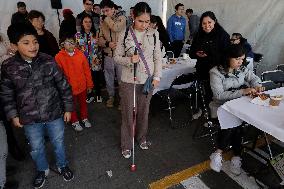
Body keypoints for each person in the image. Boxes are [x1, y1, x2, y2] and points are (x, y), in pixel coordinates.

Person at [1, 23, 74, 188]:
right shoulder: (8, 66)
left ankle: (62, 164)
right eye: (26, 43)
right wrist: (13, 115)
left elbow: (63, 84)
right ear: (14, 45)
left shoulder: (48, 60)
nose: (33, 46)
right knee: (36, 146)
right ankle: (42, 169)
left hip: (54, 113)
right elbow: (6, 93)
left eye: (35, 41)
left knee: (58, 141)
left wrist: (68, 108)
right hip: (29, 118)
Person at [114, 2, 162, 158]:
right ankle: (126, 144)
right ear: (133, 17)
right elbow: (116, 57)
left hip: (147, 80)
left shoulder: (154, 33)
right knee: (128, 113)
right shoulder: (125, 34)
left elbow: (157, 58)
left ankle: (142, 138)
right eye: (141, 21)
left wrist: (157, 77)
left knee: (144, 111)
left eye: (147, 21)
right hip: (128, 80)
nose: (144, 25)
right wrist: (129, 60)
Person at [209, 44, 263, 175]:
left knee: (236, 124)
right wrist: (243, 91)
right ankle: (235, 156)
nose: (240, 62)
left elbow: (253, 78)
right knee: (235, 125)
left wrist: (258, 85)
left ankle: (219, 153)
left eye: (242, 59)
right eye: (237, 59)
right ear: (228, 58)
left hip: (238, 104)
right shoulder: (215, 72)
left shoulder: (242, 69)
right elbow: (219, 96)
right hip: (221, 107)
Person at [189, 11, 230, 107]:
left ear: (214, 21)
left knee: (216, 97)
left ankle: (216, 115)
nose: (207, 25)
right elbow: (191, 53)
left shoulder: (223, 35)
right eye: (204, 23)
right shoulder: (199, 35)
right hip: (202, 70)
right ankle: (204, 112)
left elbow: (227, 56)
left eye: (209, 22)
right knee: (204, 95)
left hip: (217, 71)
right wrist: (197, 53)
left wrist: (210, 55)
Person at [55, 35, 94, 132]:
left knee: (83, 103)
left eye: (72, 42)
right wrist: (62, 88)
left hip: (82, 86)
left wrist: (89, 84)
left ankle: (84, 118)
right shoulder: (58, 57)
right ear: (63, 44)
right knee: (70, 105)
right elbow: (58, 75)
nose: (71, 45)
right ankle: (74, 121)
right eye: (67, 42)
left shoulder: (81, 54)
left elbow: (87, 71)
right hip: (68, 88)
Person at [99, 0, 126, 108]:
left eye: (107, 10)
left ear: (113, 9)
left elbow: (116, 28)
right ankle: (111, 97)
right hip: (108, 55)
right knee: (108, 78)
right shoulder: (103, 22)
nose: (105, 13)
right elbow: (99, 38)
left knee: (121, 79)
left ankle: (122, 99)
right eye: (103, 11)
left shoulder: (122, 18)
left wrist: (106, 19)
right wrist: (107, 43)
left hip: (120, 55)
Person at [75, 14, 103, 103]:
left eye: (90, 22)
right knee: (87, 80)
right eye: (85, 22)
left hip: (95, 61)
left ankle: (98, 94)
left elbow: (100, 48)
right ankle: (90, 95)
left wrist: (99, 59)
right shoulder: (78, 35)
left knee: (96, 78)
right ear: (82, 24)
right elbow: (77, 49)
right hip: (83, 62)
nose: (88, 24)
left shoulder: (96, 34)